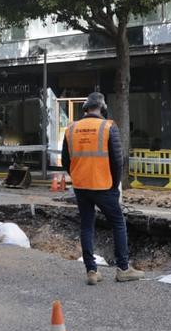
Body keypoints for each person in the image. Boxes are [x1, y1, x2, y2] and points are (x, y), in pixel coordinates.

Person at [61, 92, 142, 285]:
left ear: (85, 108)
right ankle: (123, 269)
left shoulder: (71, 129)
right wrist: (114, 184)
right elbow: (117, 160)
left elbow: (65, 160)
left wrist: (78, 176)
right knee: (118, 222)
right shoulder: (108, 126)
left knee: (87, 225)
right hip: (103, 186)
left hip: (81, 187)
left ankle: (91, 271)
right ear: (102, 107)